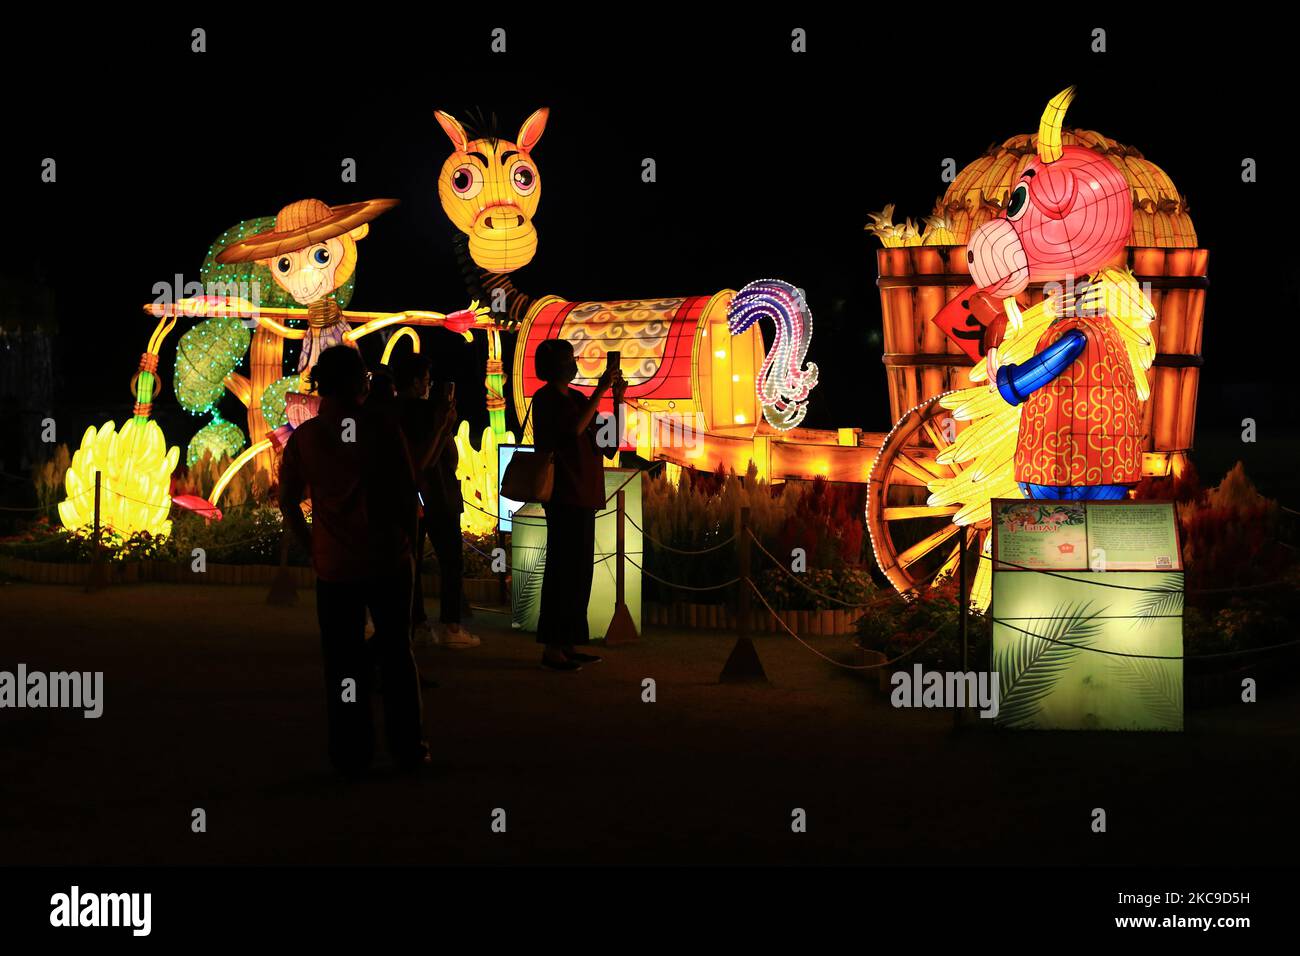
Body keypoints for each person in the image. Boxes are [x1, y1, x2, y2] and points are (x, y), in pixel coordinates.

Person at [278, 346, 431, 774]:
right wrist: (408, 544)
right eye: (364, 375)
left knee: (342, 662)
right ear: (357, 382)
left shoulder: (306, 438)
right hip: (386, 559)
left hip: (335, 566)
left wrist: (312, 546)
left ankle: (350, 750)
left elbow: (288, 499)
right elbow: (407, 490)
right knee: (398, 653)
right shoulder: (382, 427)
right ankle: (408, 746)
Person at [530, 339, 626, 671]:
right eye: (571, 358)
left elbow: (610, 443)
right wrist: (600, 393)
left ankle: (568, 643)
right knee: (562, 570)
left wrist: (618, 400)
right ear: (555, 365)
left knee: (579, 572)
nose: (575, 363)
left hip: (585, 495)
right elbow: (572, 431)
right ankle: (553, 646)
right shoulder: (545, 399)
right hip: (563, 495)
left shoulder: (577, 398)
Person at [390, 353, 479, 649]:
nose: (428, 386)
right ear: (416, 382)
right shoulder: (428, 412)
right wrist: (445, 426)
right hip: (438, 495)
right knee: (451, 561)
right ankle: (451, 626)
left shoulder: (390, 411)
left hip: (405, 497)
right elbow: (440, 460)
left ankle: (418, 624)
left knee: (410, 563)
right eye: (426, 381)